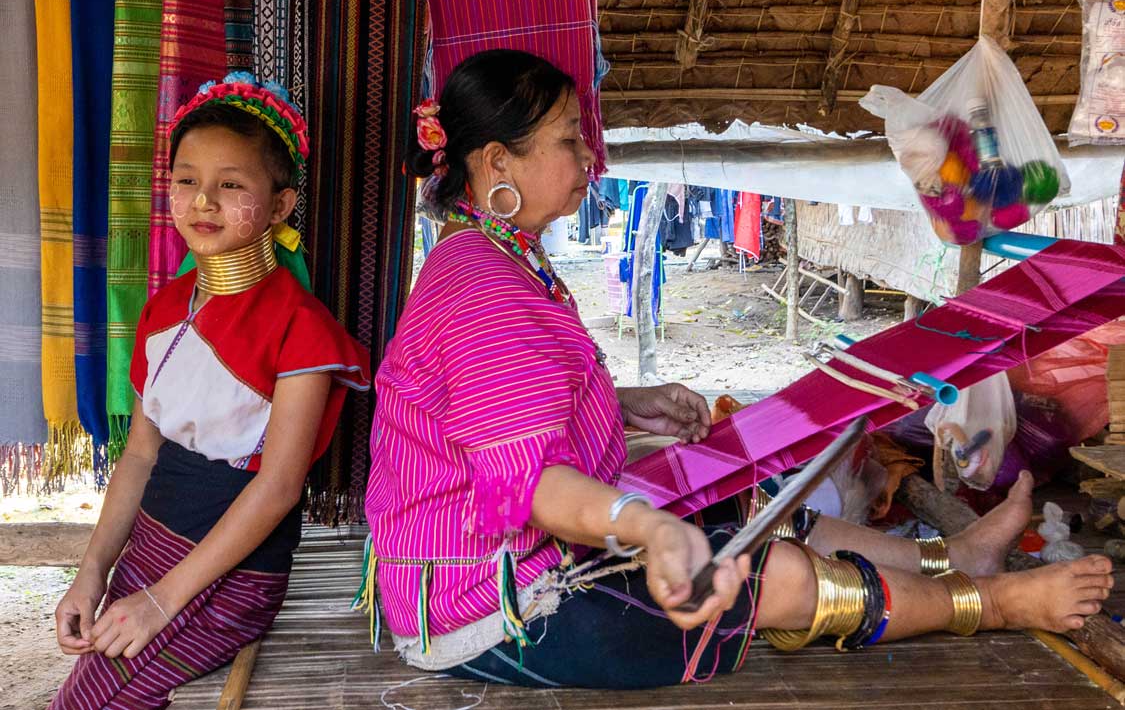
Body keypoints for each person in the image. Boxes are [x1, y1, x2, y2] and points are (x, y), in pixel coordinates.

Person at [362, 48, 1114, 690]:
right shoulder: (484, 289)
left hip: (517, 562)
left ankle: (949, 552)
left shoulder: (497, 258)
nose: (589, 155)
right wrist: (649, 531)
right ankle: (995, 599)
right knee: (770, 575)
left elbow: (495, 414)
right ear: (497, 161)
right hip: (496, 611)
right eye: (567, 139)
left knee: (729, 502)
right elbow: (525, 487)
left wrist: (625, 402)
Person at [53, 74, 370, 709]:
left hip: (232, 573)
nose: (204, 200)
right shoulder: (163, 308)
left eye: (230, 185)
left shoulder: (301, 329)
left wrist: (160, 603)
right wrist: (92, 575)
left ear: (279, 207)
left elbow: (278, 487)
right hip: (152, 547)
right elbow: (141, 456)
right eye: (188, 180)